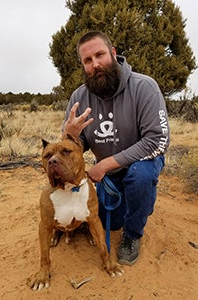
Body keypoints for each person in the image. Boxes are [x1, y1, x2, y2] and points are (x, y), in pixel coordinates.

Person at [62, 31, 170, 266]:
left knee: (140, 176)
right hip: (108, 176)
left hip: (140, 163)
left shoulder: (144, 87)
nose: (96, 64)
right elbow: (75, 149)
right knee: (113, 221)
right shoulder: (79, 97)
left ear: (113, 53)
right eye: (87, 61)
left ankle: (133, 236)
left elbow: (158, 140)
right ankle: (128, 207)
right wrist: (69, 135)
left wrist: (106, 164)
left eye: (100, 55)